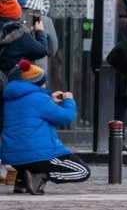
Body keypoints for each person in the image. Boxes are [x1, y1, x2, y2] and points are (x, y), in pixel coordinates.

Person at [1, 59, 90, 195]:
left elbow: (30, 110)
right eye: (44, 82)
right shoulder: (40, 100)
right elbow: (66, 117)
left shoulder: (11, 99)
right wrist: (69, 101)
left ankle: (22, 181)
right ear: (39, 83)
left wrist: (49, 98)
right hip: (38, 156)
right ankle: (41, 175)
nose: (46, 85)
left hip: (14, 158)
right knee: (82, 171)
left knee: (25, 149)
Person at [0, 0, 48, 138]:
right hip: (6, 84)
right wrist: (39, 32)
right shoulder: (20, 33)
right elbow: (41, 50)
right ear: (16, 14)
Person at [17, 0, 58, 73]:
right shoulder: (45, 20)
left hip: (16, 70)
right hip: (38, 71)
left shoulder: (14, 17)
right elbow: (52, 49)